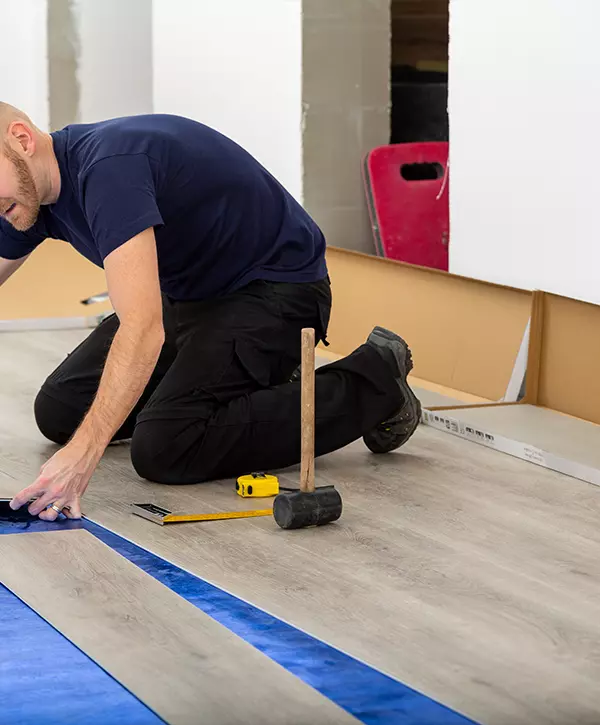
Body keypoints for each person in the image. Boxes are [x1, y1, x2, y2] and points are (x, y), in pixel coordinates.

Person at [0, 103, 421, 521]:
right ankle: (252, 385)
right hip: (191, 295)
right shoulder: (22, 195)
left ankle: (375, 379)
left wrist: (82, 455)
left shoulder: (109, 171)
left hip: (275, 289)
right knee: (62, 410)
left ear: (21, 140)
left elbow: (143, 327)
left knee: (166, 447)